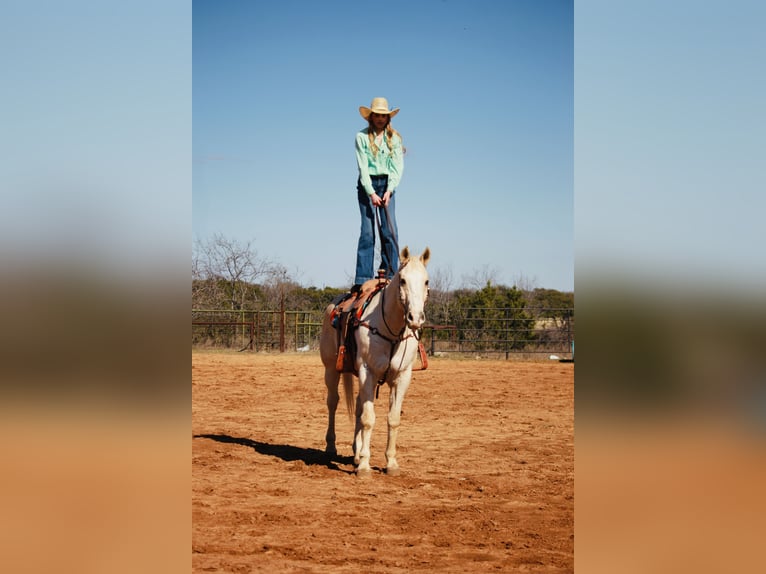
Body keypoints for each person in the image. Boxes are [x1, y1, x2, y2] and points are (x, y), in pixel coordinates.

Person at [352, 97, 404, 293]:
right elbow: (362, 167)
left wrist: (389, 190)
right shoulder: (361, 137)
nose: (381, 119)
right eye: (377, 115)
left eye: (384, 115)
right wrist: (371, 192)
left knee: (390, 231)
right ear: (371, 117)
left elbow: (397, 167)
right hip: (368, 184)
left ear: (388, 117)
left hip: (388, 184)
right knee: (367, 231)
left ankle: (390, 273)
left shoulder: (395, 139)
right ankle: (362, 277)